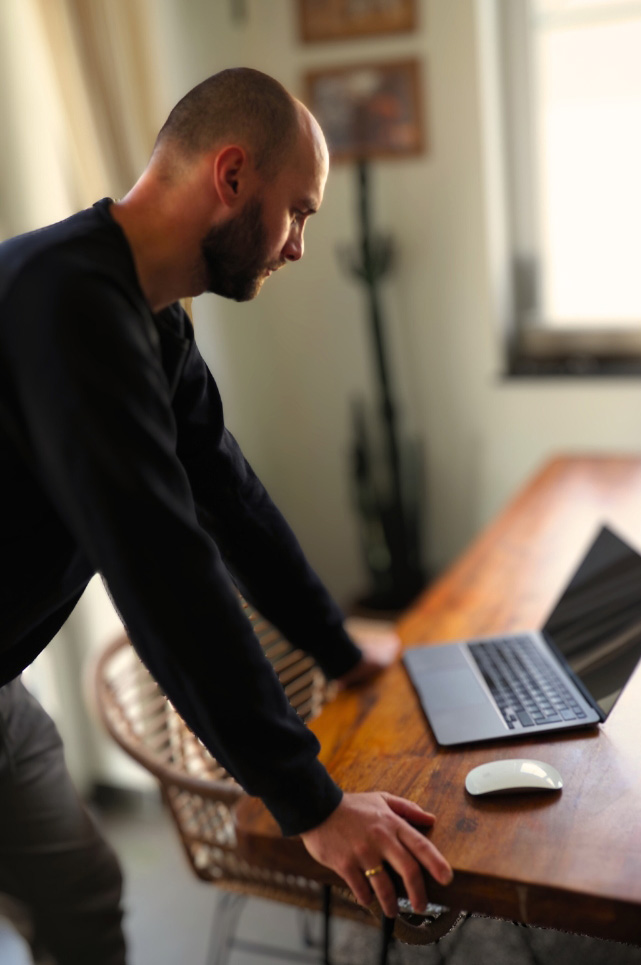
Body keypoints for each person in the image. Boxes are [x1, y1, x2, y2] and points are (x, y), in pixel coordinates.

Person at [0, 67, 452, 963]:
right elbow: (161, 563)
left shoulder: (153, 319)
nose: (297, 246)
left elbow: (230, 497)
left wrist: (333, 642)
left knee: (80, 899)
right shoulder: (65, 299)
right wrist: (310, 802)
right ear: (233, 177)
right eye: (300, 212)